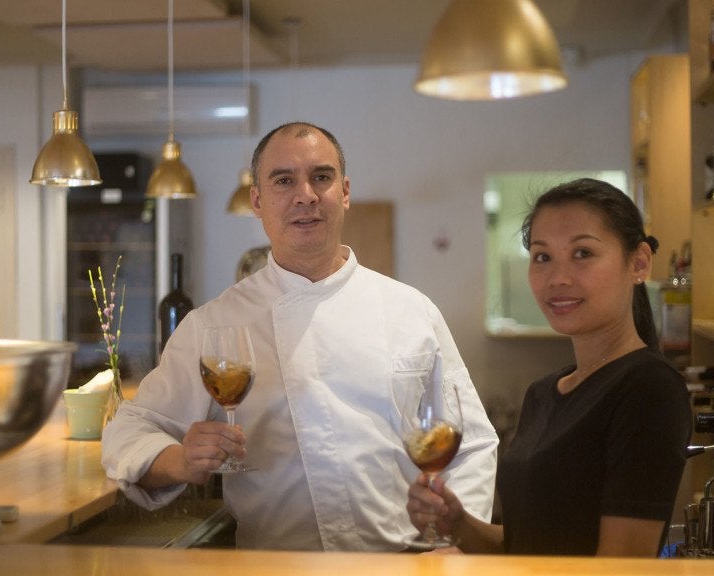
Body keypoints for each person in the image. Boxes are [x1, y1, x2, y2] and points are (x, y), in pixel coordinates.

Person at [102, 121, 499, 551]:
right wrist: (181, 460)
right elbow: (129, 431)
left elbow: (473, 443)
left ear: (344, 193)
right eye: (284, 180)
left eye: (321, 177)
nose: (306, 195)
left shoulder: (412, 311)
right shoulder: (213, 325)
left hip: (404, 564)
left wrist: (458, 542)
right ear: (258, 200)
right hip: (276, 565)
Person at [407, 178, 691, 556]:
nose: (558, 278)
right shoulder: (544, 392)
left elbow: (621, 567)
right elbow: (526, 546)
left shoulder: (649, 388)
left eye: (582, 253)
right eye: (542, 257)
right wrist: (458, 524)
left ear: (638, 262)